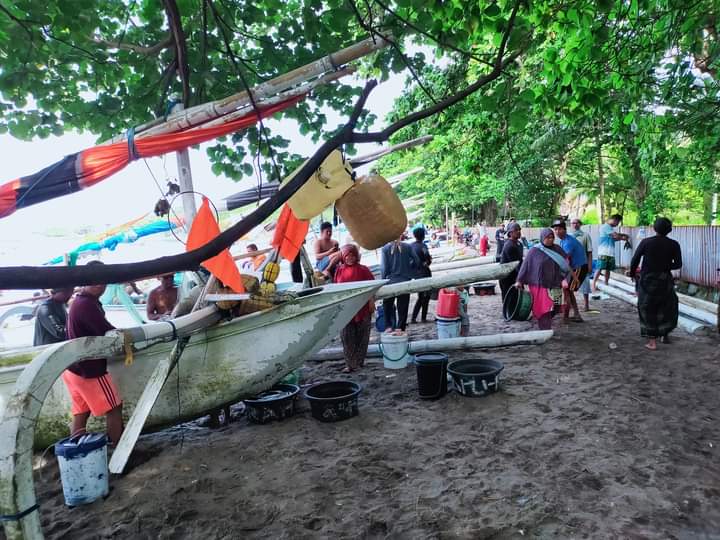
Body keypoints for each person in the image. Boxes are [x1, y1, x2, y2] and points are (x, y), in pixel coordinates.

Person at [64, 261, 123, 444]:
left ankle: (75, 450)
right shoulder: (86, 305)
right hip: (89, 369)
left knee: (81, 412)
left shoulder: (79, 301)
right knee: (114, 408)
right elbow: (108, 333)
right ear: (99, 283)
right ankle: (120, 452)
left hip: (72, 367)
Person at [629, 217, 682, 350]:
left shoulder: (646, 242)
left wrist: (632, 273)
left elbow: (634, 260)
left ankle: (652, 341)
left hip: (647, 279)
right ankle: (665, 334)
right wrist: (665, 265)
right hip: (665, 279)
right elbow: (678, 264)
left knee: (647, 308)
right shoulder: (674, 244)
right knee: (667, 306)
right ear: (669, 230)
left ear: (654, 228)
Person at [514, 228, 570, 330]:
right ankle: (544, 328)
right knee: (543, 309)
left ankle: (546, 323)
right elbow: (525, 266)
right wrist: (519, 280)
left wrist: (564, 278)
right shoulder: (534, 251)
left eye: (552, 237)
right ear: (542, 238)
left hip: (555, 284)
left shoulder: (557, 249)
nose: (550, 240)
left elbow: (565, 265)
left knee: (555, 307)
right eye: (548, 238)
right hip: (539, 285)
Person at [333, 244, 375, 372]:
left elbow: (372, 287)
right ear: (343, 257)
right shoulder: (339, 270)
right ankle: (350, 364)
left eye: (352, 255)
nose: (349, 258)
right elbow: (335, 289)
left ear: (356, 256)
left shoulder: (364, 270)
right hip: (346, 308)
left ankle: (360, 362)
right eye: (347, 255)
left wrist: (371, 302)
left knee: (362, 336)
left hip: (362, 308)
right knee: (347, 337)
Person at [381, 236, 420, 333]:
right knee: (403, 306)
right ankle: (400, 328)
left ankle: (388, 326)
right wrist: (409, 270)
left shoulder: (385, 249)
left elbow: (384, 268)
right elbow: (417, 261)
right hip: (404, 280)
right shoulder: (408, 247)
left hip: (390, 282)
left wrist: (382, 280)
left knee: (387, 304)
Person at [552, 220, 587, 322]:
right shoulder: (563, 240)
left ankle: (568, 316)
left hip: (579, 267)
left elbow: (564, 261)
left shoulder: (568, 242)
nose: (557, 231)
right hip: (575, 267)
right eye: (555, 229)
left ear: (565, 229)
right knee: (568, 291)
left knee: (567, 290)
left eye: (559, 229)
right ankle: (575, 314)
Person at [592, 214, 630, 292]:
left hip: (610, 253)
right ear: (614, 220)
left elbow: (614, 238)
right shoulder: (606, 227)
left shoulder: (610, 229)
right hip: (603, 252)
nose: (617, 224)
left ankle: (606, 284)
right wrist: (624, 237)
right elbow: (615, 236)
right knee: (599, 268)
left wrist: (623, 237)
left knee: (608, 269)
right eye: (618, 222)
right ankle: (593, 284)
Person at [410, 226, 432, 324]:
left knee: (420, 296)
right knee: (426, 297)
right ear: (423, 236)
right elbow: (427, 258)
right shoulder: (423, 246)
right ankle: (423, 318)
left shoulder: (411, 246)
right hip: (425, 273)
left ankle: (414, 318)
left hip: (416, 274)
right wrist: (428, 262)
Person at [570, 218, 593, 311]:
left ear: (580, 224)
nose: (575, 225)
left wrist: (590, 265)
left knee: (585, 284)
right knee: (570, 285)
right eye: (573, 223)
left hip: (583, 264)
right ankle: (571, 305)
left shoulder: (585, 236)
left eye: (577, 223)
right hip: (572, 265)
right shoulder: (569, 236)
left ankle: (586, 305)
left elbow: (589, 252)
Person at [499, 222, 523, 301]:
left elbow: (520, 261)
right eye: (516, 230)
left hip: (514, 276)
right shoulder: (510, 245)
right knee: (509, 300)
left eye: (519, 230)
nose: (518, 232)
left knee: (516, 299)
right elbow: (516, 264)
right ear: (510, 233)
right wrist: (521, 278)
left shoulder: (519, 244)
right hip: (507, 277)